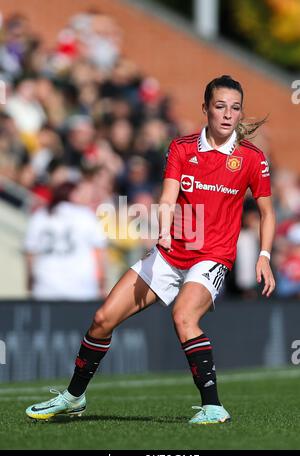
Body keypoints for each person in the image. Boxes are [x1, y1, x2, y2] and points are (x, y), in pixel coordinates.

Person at [25, 75, 276, 424]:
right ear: (205, 109)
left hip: (212, 256)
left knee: (184, 317)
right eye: (219, 106)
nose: (227, 114)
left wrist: (264, 256)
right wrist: (163, 231)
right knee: (101, 320)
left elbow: (266, 211)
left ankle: (213, 407)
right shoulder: (182, 147)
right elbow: (168, 197)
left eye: (234, 108)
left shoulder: (251, 158)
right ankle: (73, 397)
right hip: (170, 253)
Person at [24, 181, 107, 300]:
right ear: (71, 194)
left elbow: (30, 253)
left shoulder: (40, 215)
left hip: (45, 287)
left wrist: (31, 282)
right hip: (82, 289)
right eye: (79, 192)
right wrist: (102, 284)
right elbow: (99, 254)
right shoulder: (86, 216)